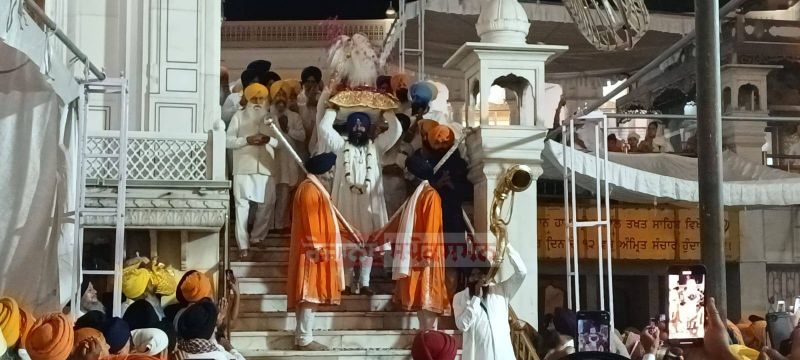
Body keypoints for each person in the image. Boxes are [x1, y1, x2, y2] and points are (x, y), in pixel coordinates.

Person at [317, 109, 401, 294]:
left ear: (368, 128)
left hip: (369, 203)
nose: (358, 129)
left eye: (362, 125)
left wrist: (386, 112)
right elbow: (324, 127)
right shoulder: (340, 146)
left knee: (368, 242)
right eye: (354, 125)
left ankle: (364, 282)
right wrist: (332, 109)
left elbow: (396, 131)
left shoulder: (376, 147)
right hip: (346, 202)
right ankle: (346, 282)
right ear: (348, 127)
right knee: (348, 242)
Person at [286, 153, 345, 351]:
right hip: (312, 251)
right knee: (309, 294)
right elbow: (311, 222)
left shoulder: (312, 187)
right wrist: (317, 248)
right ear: (325, 171)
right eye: (331, 169)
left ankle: (302, 336)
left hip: (314, 249)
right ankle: (304, 339)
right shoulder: (310, 189)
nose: (332, 173)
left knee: (311, 295)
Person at [406, 124, 472, 298]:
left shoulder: (457, 164)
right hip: (427, 220)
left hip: (451, 219)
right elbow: (414, 176)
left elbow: (468, 190)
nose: (441, 148)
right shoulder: (423, 161)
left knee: (452, 261)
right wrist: (434, 183)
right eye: (437, 144)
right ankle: (427, 299)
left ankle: (448, 300)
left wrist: (451, 185)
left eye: (445, 145)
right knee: (427, 262)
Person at [373, 181, 449, 330]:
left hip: (426, 257)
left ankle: (429, 336)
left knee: (428, 300)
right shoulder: (419, 195)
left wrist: (427, 254)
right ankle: (425, 335)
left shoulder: (429, 195)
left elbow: (431, 227)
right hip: (419, 256)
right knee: (423, 300)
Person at [227, 83, 281, 259]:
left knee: (267, 204)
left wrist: (269, 140)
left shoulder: (271, 118)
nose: (258, 102)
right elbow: (228, 141)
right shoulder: (238, 116)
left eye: (261, 98)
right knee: (242, 206)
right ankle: (243, 244)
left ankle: (257, 237)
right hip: (243, 167)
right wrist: (246, 140)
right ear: (248, 100)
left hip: (266, 167)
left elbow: (281, 142)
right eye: (254, 99)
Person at [453, 244, 526, 360]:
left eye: (480, 274)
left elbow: (521, 272)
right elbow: (462, 325)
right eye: (473, 275)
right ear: (468, 278)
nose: (477, 278)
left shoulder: (501, 290)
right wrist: (475, 299)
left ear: (487, 276)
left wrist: (506, 246)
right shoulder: (460, 297)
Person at [271, 93, 306, 234]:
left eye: (283, 99)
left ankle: (282, 224)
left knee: (286, 193)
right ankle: (273, 225)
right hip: (273, 158)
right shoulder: (268, 116)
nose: (280, 102)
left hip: (289, 158)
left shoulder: (294, 117)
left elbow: (302, 136)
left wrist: (288, 130)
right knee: (273, 195)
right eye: (277, 99)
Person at [221, 60, 270, 125]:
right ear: (246, 83)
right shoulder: (234, 97)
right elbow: (224, 117)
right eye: (254, 82)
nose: (256, 85)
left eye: (258, 82)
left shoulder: (263, 99)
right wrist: (240, 104)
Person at [297, 66, 323, 154]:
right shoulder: (299, 97)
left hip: (316, 134)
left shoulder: (321, 97)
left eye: (313, 82)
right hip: (301, 132)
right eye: (308, 81)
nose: (310, 84)